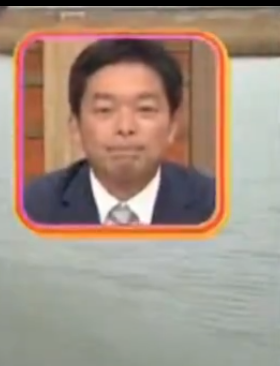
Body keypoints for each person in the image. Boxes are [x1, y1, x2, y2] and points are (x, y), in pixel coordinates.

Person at [22, 37, 216, 226]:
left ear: (172, 126)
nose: (125, 128)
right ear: (75, 127)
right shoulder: (33, 207)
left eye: (145, 109)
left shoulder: (214, 205)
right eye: (105, 110)